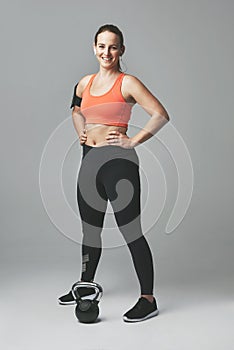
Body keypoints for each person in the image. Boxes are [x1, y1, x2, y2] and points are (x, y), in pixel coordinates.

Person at [58, 24, 170, 322]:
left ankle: (148, 298)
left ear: (121, 50)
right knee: (90, 231)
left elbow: (161, 114)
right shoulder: (85, 82)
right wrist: (81, 131)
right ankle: (85, 286)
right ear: (94, 48)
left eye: (113, 47)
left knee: (130, 231)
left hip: (119, 163)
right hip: (89, 161)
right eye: (101, 46)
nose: (106, 52)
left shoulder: (127, 83)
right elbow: (75, 109)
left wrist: (132, 140)